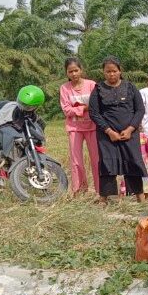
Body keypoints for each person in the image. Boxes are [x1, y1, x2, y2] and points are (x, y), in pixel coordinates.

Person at [88, 56, 147, 204]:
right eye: (108, 71)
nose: (111, 74)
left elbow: (140, 110)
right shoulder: (98, 89)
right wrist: (109, 131)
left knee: (133, 162)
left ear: (120, 71)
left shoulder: (131, 87)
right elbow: (94, 113)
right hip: (107, 135)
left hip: (130, 134)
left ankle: (140, 198)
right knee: (107, 164)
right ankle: (104, 200)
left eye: (114, 71)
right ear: (103, 72)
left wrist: (130, 129)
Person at [59, 58, 100, 195]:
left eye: (76, 70)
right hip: (74, 128)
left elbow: (97, 105)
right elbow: (66, 110)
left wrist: (80, 109)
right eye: (70, 71)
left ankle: (101, 190)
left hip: (93, 126)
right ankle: (79, 191)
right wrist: (84, 108)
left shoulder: (92, 85)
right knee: (76, 161)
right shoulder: (64, 88)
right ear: (67, 73)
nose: (74, 74)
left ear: (81, 70)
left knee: (96, 159)